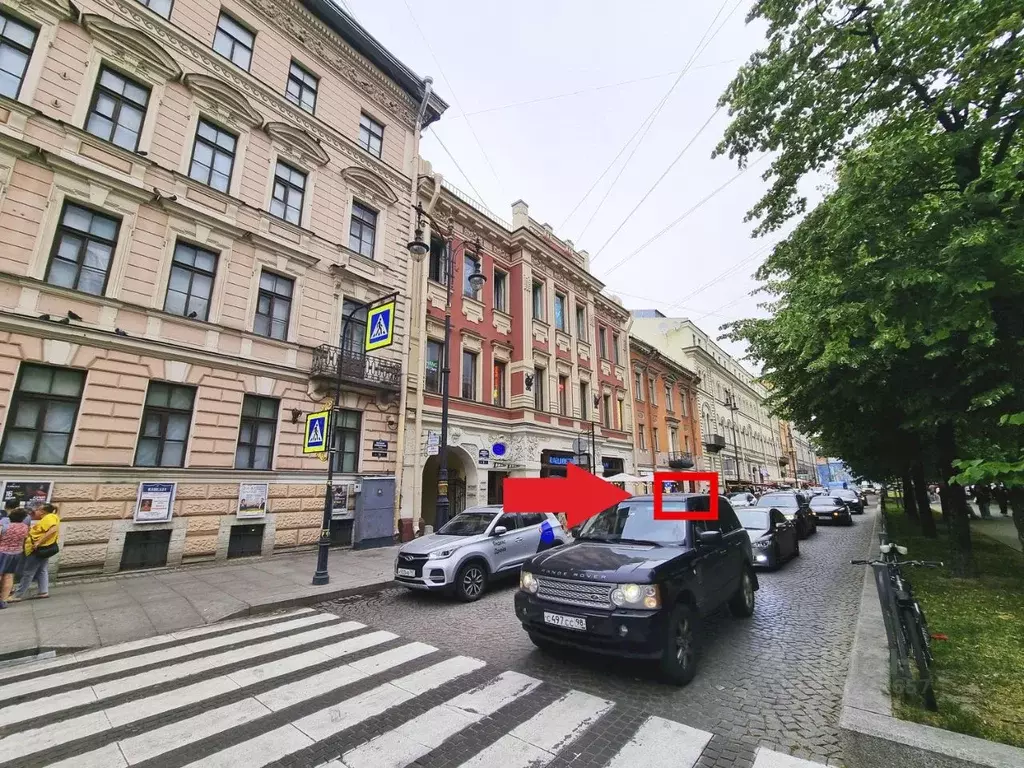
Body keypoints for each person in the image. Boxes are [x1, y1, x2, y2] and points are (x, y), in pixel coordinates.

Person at [8, 503, 60, 602]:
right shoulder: (50, 517)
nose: (35, 511)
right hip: (42, 548)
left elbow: (53, 529)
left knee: (28, 572)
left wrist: (38, 542)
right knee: (41, 569)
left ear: (42, 511)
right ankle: (43, 591)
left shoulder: (49, 517)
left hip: (38, 549)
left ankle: (18, 594)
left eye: (37, 509)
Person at [0, 508, 30, 608]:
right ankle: (3, 601)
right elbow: (25, 538)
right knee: (9, 576)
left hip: (2, 552)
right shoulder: (25, 527)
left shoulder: (4, 527)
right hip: (16, 553)